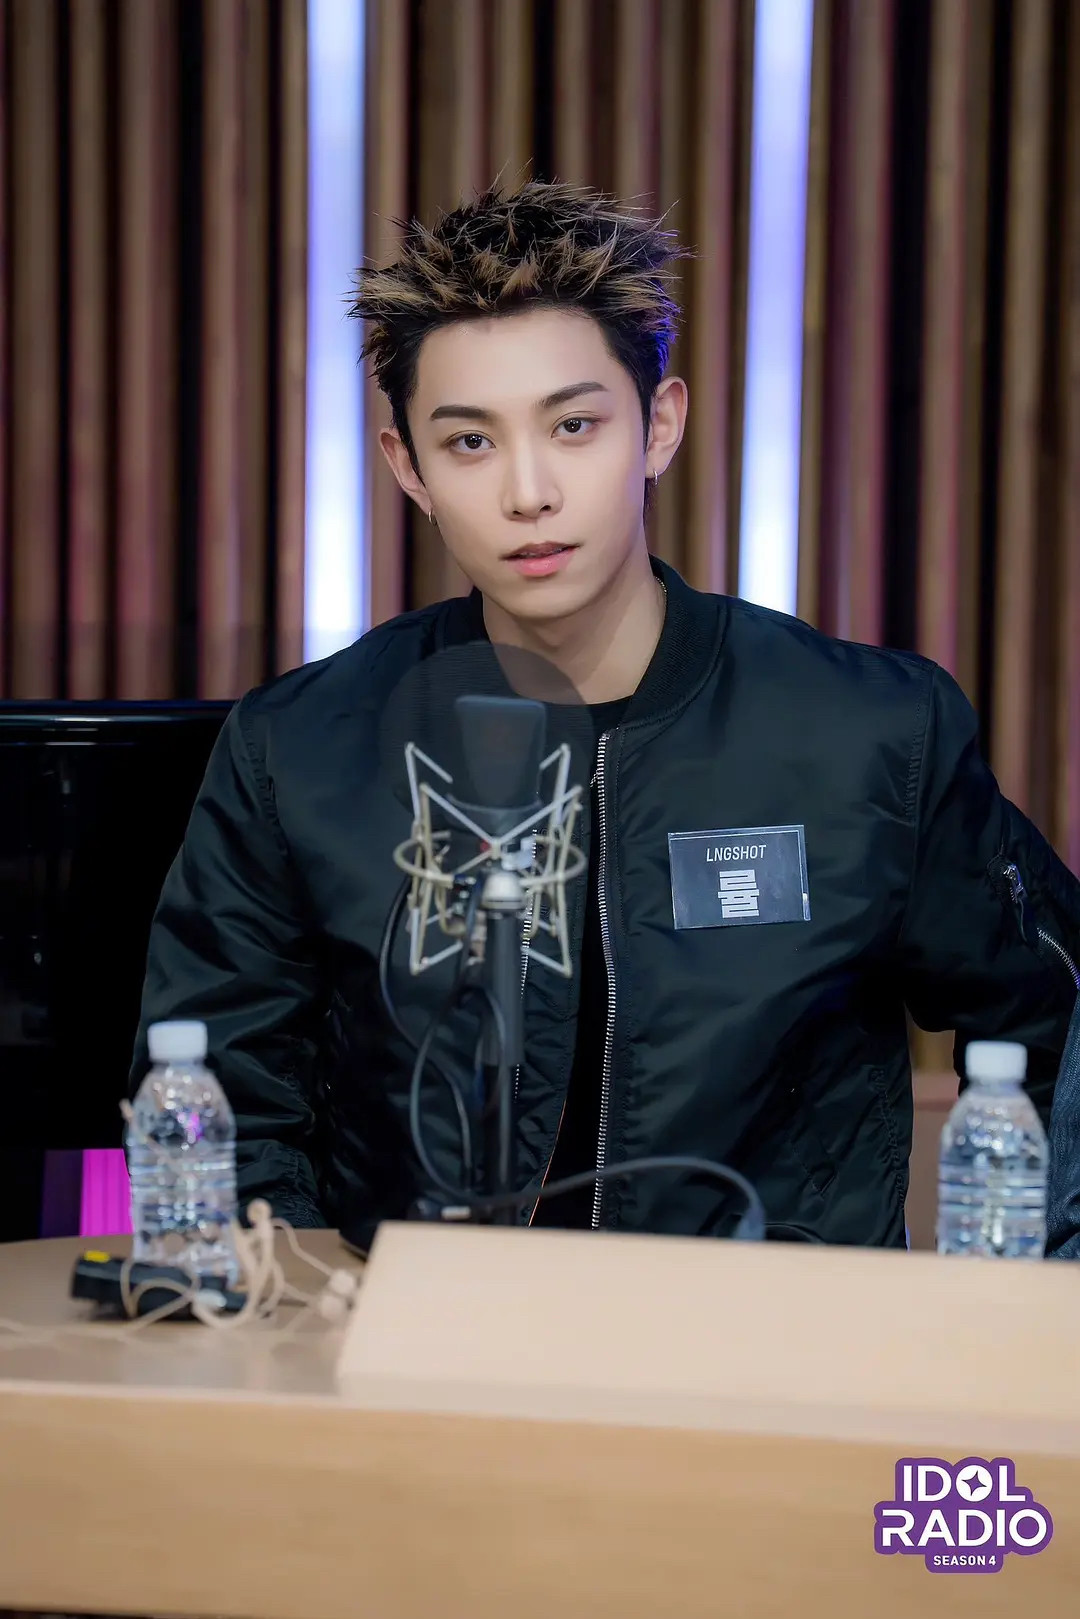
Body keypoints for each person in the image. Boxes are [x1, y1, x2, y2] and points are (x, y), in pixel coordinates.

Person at [132, 179, 1080, 1249]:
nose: (529, 491)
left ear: (658, 425)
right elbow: (226, 1108)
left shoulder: (871, 732)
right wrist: (303, 1318)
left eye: (574, 425)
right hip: (416, 1337)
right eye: (471, 442)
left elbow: (1056, 1028)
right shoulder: (303, 749)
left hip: (776, 1340)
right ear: (409, 467)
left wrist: (1027, 1303)